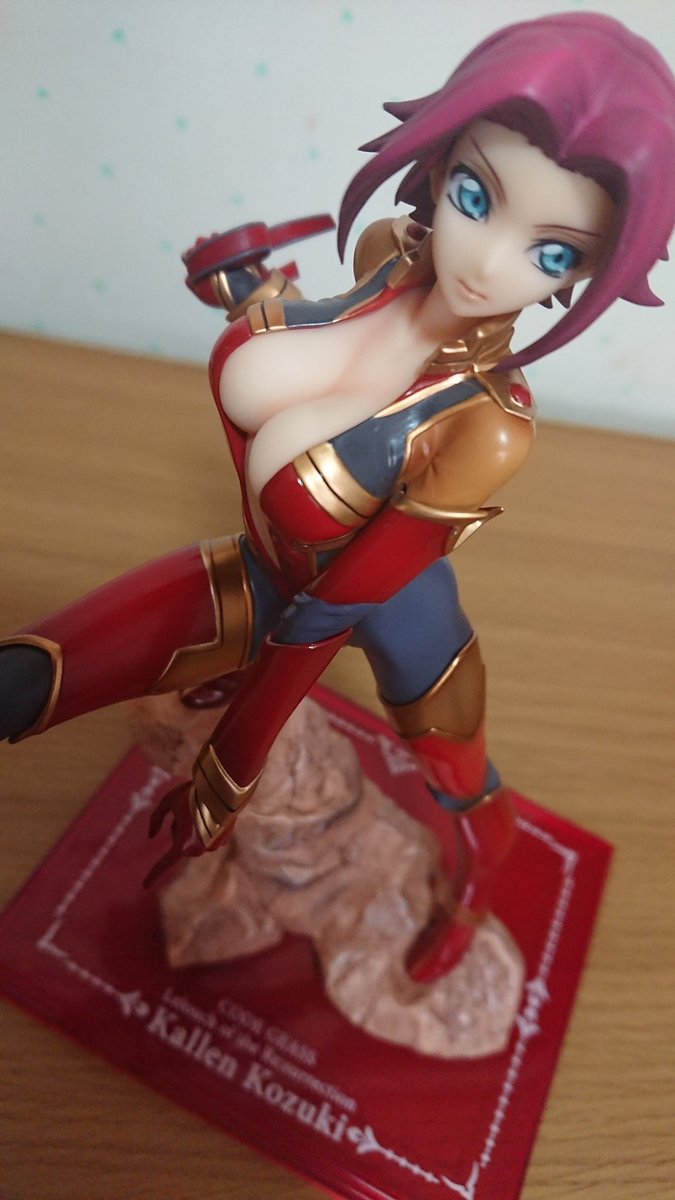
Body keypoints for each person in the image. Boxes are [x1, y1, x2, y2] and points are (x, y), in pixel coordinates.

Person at [1, 12, 673, 983]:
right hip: (260, 572)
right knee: (27, 678)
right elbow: (302, 375)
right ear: (440, 161)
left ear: (595, 274)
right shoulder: (388, 254)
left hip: (394, 625)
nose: (486, 262)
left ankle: (476, 885)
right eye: (476, 194)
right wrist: (245, 294)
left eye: (554, 253)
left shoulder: (486, 427)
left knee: (461, 783)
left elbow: (331, 610)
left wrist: (230, 768)